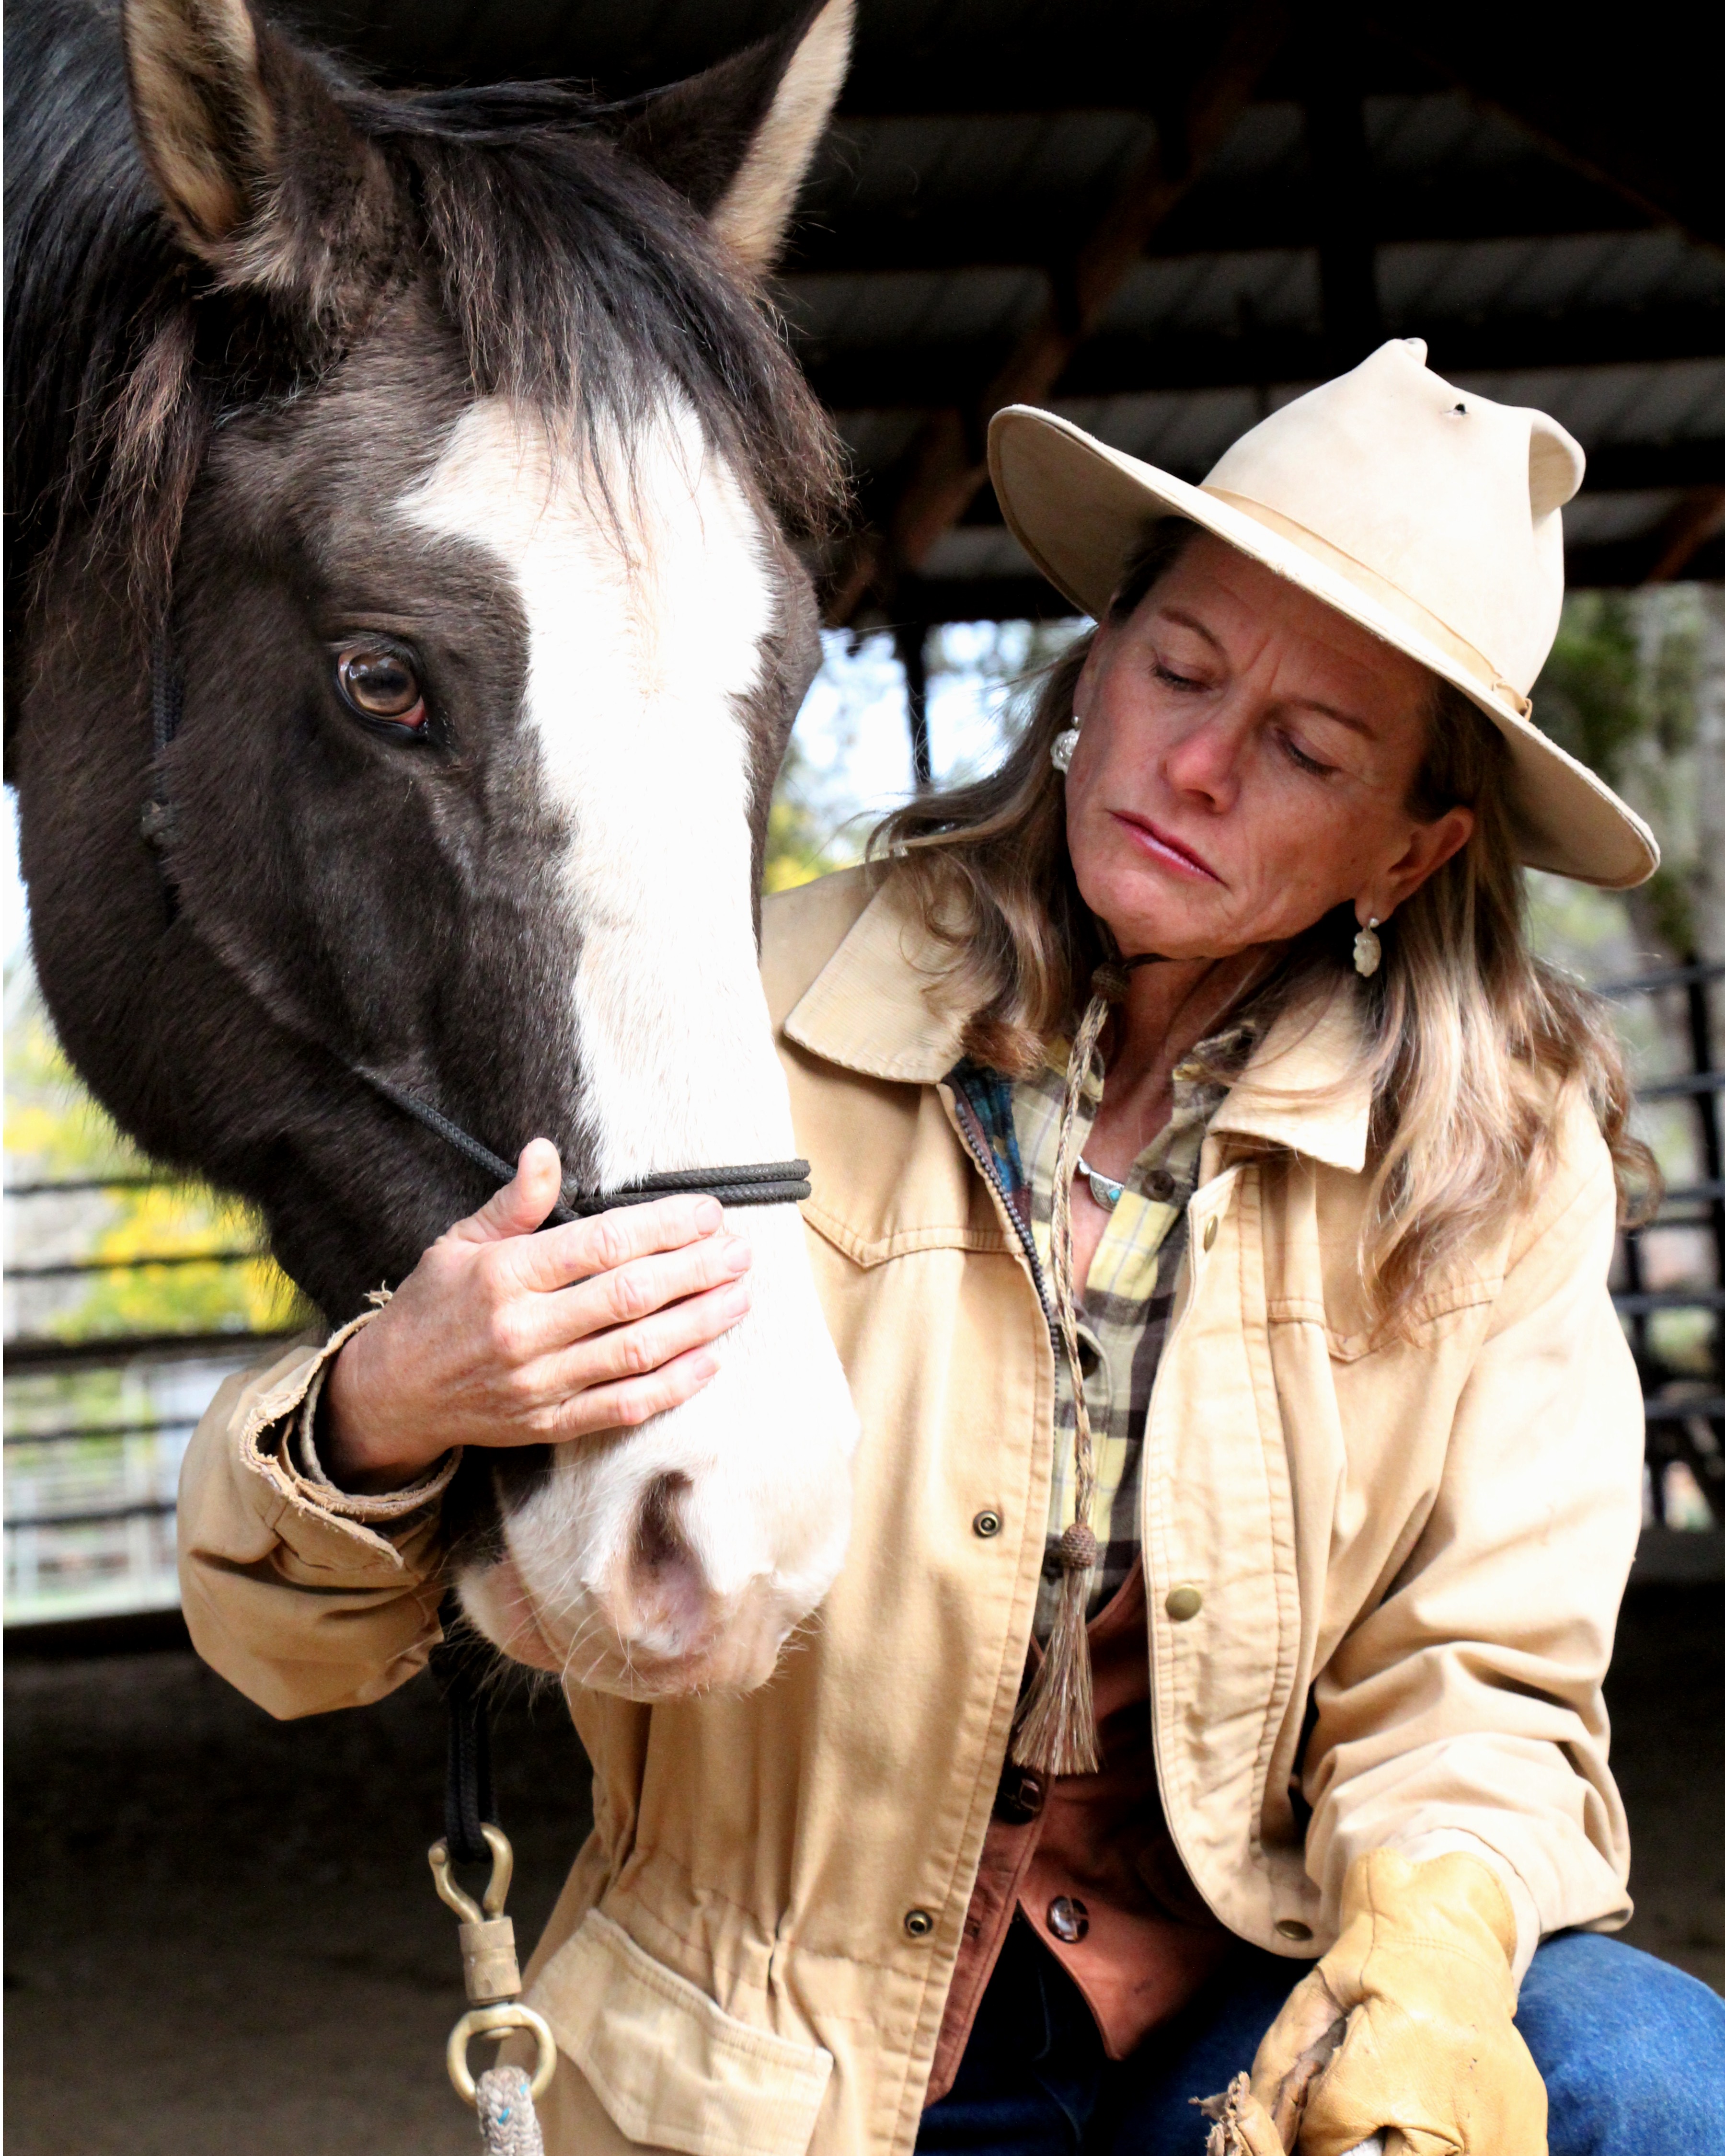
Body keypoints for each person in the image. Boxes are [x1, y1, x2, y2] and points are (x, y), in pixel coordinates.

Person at [177, 339, 1725, 2156]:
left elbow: (1484, 1668)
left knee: (1642, 2076)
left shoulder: (1491, 1163)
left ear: (1409, 852)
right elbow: (280, 1638)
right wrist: (388, 1403)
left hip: (1230, 2026)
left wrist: (1435, 1949)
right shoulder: (746, 1009)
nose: (1198, 765)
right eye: (1180, 670)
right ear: (1097, 662)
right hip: (798, 2065)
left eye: (1307, 749)